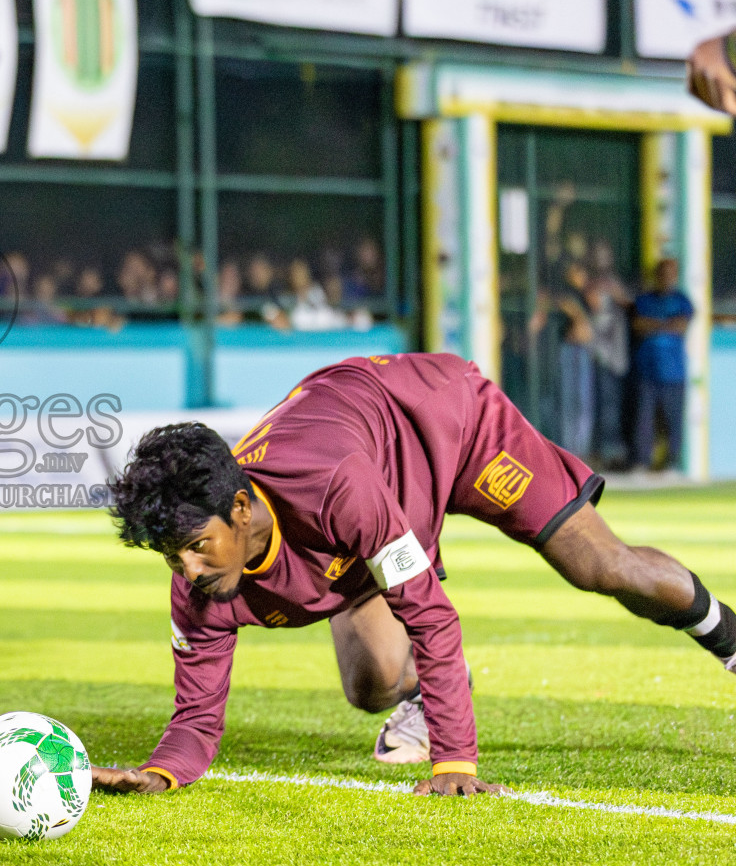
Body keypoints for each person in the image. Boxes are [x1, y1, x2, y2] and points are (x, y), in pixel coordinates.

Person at [91, 352, 736, 798]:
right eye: (173, 556)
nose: (189, 570)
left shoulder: (334, 490)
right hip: (375, 487)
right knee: (370, 687)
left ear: (240, 507)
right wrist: (161, 773)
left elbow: (428, 610)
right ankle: (430, 690)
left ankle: (727, 636)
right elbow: (197, 716)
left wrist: (455, 759)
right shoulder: (197, 576)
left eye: (199, 547)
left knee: (599, 565)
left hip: (448, 422)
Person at [631, 258, 694, 473]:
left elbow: (681, 325)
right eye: (662, 273)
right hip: (647, 371)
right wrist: (666, 323)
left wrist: (654, 324)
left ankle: (671, 463)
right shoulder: (644, 300)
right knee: (644, 419)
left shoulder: (682, 301)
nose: (666, 278)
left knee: (673, 421)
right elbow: (638, 324)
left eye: (671, 274)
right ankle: (641, 462)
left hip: (674, 373)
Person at [553, 261, 596, 458]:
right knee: (569, 402)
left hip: (583, 351)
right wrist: (579, 319)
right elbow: (571, 314)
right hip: (570, 350)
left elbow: (587, 328)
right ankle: (569, 449)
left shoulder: (586, 296)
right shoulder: (564, 294)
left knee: (583, 402)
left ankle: (580, 449)